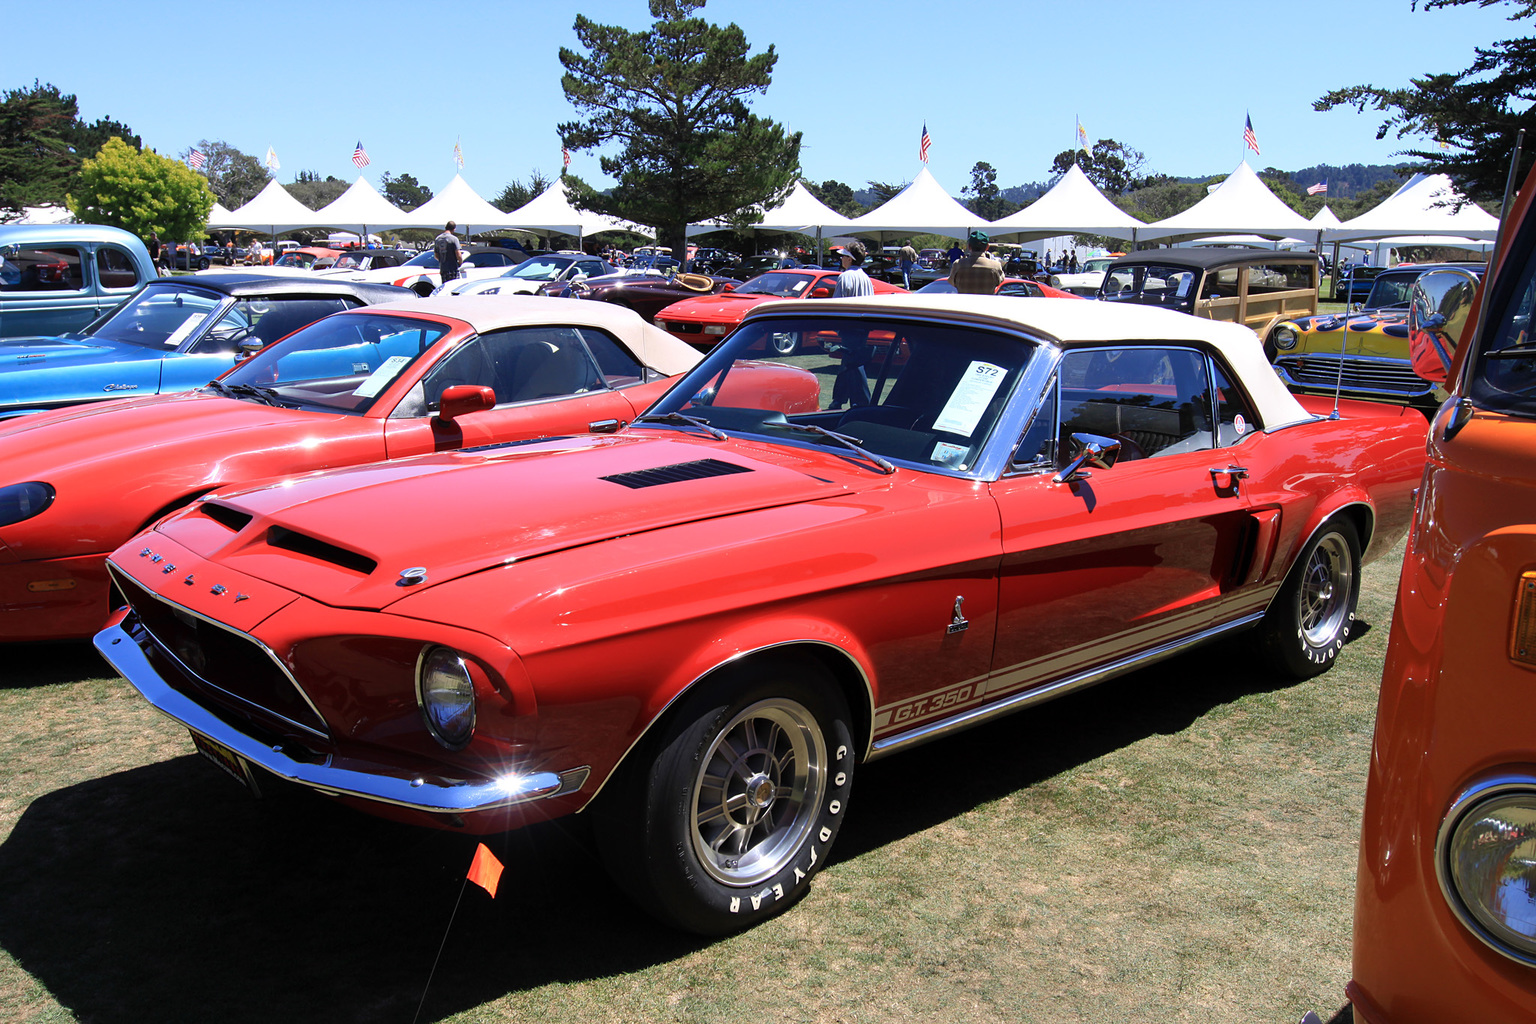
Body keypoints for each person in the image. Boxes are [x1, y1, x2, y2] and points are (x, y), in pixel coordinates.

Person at [829, 242, 875, 409]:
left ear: (849, 258)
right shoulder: (865, 278)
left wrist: (837, 325)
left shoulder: (845, 277)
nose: (841, 259)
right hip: (862, 325)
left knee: (853, 363)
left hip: (849, 325)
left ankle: (863, 402)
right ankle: (838, 400)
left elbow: (837, 305)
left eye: (844, 256)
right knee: (849, 361)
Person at [948, 229, 1004, 294]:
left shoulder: (958, 264)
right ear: (987, 247)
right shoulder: (995, 266)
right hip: (986, 303)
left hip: (964, 303)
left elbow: (951, 281)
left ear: (969, 246)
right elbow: (1000, 281)